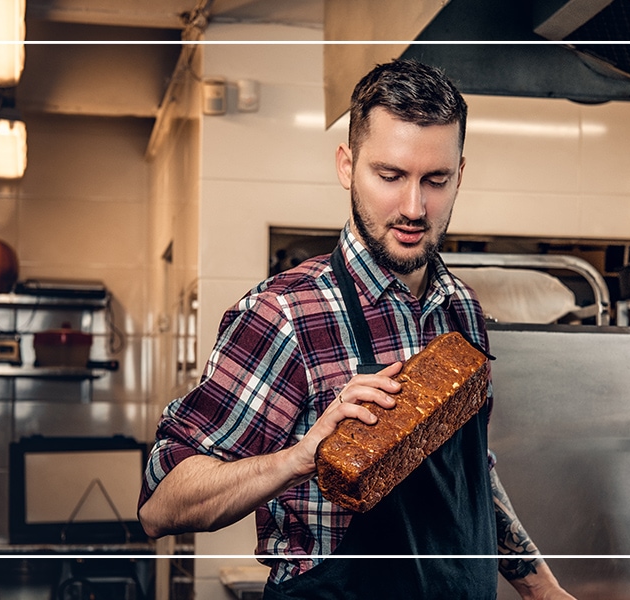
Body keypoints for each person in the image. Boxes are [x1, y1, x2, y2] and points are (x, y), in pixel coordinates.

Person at [138, 59, 575, 600]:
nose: (414, 207)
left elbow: (471, 475)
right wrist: (301, 457)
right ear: (347, 166)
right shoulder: (287, 314)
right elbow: (162, 505)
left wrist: (541, 589)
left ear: (460, 173)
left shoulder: (460, 309)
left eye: (435, 180)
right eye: (390, 176)